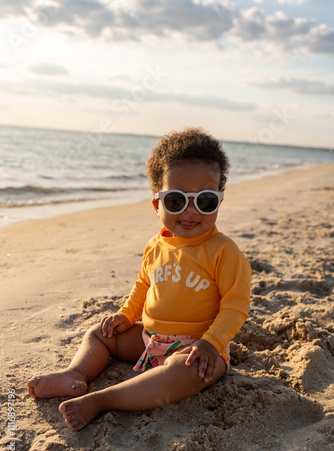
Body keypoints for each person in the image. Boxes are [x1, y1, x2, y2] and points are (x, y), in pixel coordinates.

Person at [27, 127, 251, 430]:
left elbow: (235, 306)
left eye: (205, 201)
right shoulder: (155, 245)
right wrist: (127, 314)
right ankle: (75, 374)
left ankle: (103, 400)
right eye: (175, 200)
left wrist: (212, 344)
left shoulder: (223, 251)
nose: (190, 211)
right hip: (150, 338)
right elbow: (144, 286)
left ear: (219, 202)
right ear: (157, 204)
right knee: (99, 334)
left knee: (184, 373)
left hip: (198, 349)